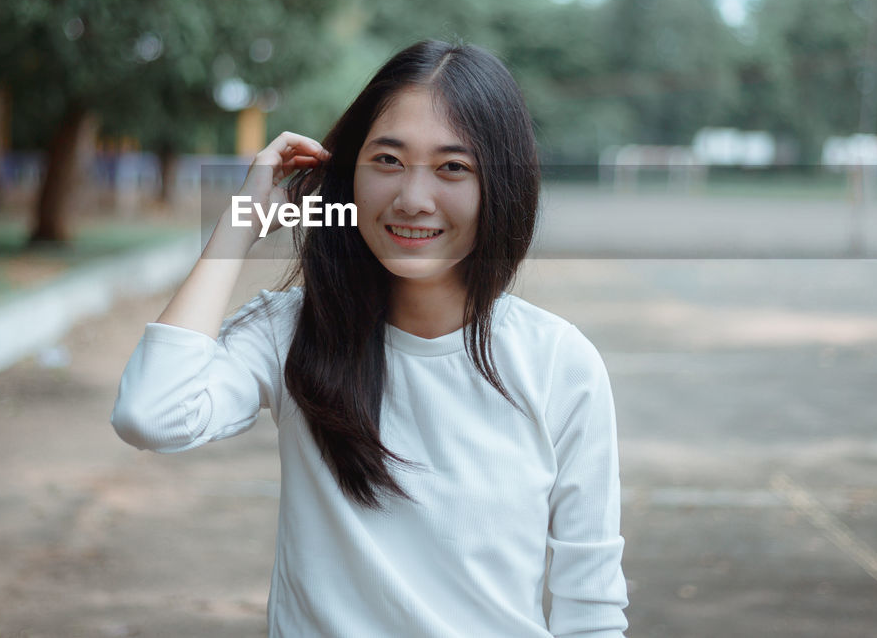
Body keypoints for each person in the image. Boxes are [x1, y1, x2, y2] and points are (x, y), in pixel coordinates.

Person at [111, 40, 629, 637]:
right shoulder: (293, 332)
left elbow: (590, 609)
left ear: (502, 189)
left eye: (453, 167)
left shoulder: (559, 362)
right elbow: (150, 414)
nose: (412, 199)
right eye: (386, 160)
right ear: (347, 173)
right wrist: (240, 224)